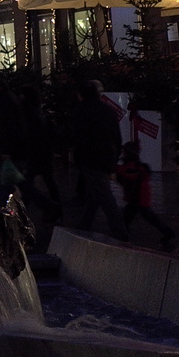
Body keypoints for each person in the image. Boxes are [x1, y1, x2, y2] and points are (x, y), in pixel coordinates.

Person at [0, 73, 60, 221]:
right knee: (17, 183)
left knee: (15, 183)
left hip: (12, 151)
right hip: (15, 149)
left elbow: (9, 129)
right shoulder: (8, 100)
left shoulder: (4, 103)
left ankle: (45, 206)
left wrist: (6, 150)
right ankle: (44, 206)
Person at [73, 81, 127, 241]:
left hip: (90, 158)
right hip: (105, 157)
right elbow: (116, 136)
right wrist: (114, 157)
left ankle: (120, 232)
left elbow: (79, 137)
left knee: (103, 195)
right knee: (95, 193)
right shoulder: (107, 110)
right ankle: (83, 226)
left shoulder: (81, 111)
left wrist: (78, 157)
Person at [114, 141, 174, 250]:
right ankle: (167, 232)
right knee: (137, 217)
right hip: (138, 199)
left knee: (140, 217)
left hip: (138, 199)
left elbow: (127, 175)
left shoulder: (132, 167)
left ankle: (167, 232)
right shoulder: (136, 166)